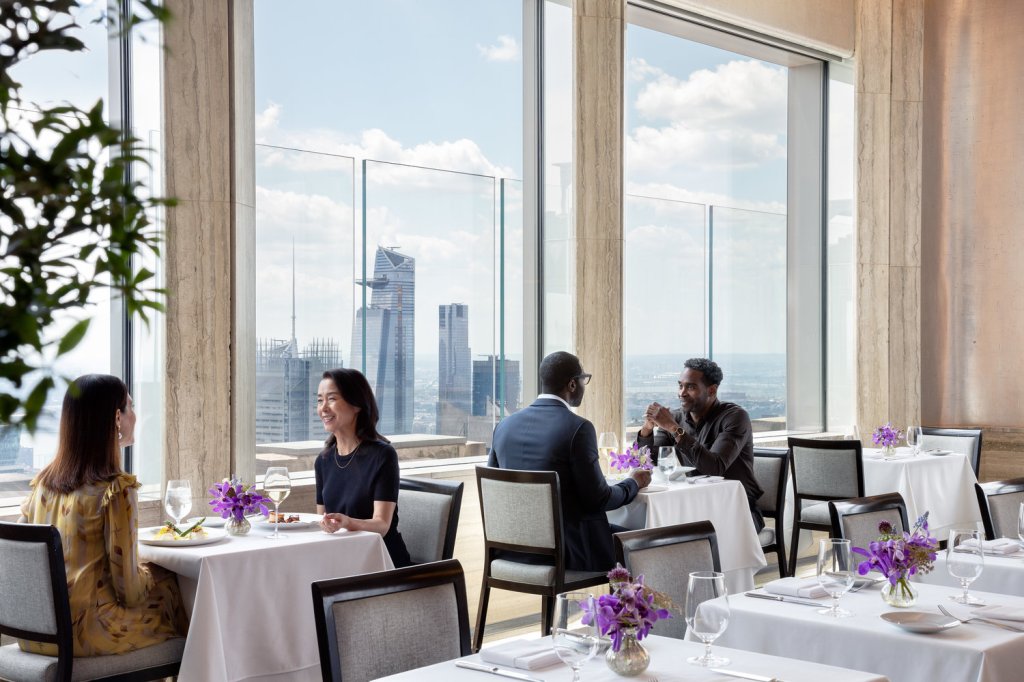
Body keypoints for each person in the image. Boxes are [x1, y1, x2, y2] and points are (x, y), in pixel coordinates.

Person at [17, 374, 187, 657]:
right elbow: (129, 591)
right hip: (85, 633)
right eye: (130, 407)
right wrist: (155, 573)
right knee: (177, 595)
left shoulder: (43, 484)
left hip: (35, 633)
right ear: (117, 418)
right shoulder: (115, 489)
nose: (135, 415)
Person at [488, 351, 651, 571]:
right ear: (572, 384)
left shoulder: (504, 426)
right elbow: (599, 499)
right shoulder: (578, 428)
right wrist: (633, 482)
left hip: (510, 549)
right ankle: (637, 598)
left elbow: (494, 492)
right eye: (584, 379)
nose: (584, 385)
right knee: (651, 543)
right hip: (569, 551)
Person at [636, 357, 765, 532]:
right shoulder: (677, 418)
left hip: (738, 510)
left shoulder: (735, 417)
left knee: (685, 537)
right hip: (695, 506)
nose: (682, 393)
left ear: (712, 390)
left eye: (690, 387)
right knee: (654, 531)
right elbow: (647, 463)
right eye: (680, 386)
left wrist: (673, 428)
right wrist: (646, 430)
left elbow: (714, 467)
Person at [315, 368, 412, 568]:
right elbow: (322, 521)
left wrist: (347, 522)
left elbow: (382, 525)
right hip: (342, 558)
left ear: (357, 405)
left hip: (381, 562)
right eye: (319, 400)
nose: (323, 408)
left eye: (331, 399)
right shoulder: (323, 461)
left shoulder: (383, 455)